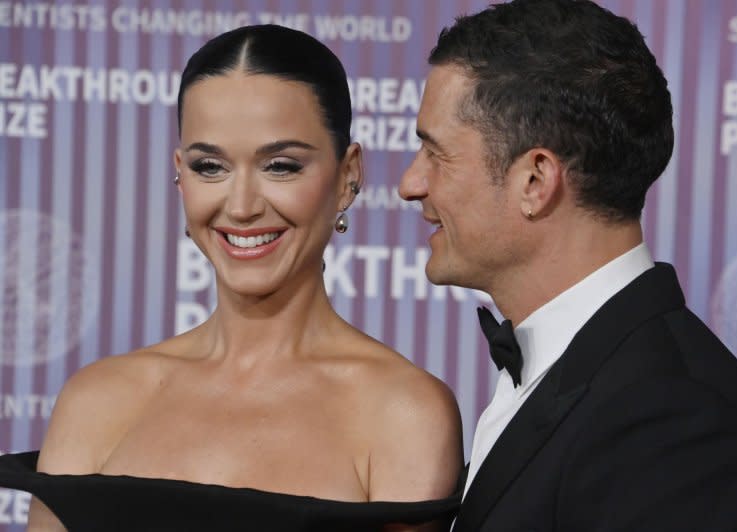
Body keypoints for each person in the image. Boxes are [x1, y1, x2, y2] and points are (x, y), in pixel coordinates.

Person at [0, 24, 463, 531]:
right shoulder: (96, 402)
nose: (241, 206)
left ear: (348, 175)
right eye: (210, 167)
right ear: (180, 174)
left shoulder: (403, 414)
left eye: (281, 166)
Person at [398, 1, 737, 531]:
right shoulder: (606, 376)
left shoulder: (670, 428)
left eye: (436, 153)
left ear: (536, 181)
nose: (410, 184)